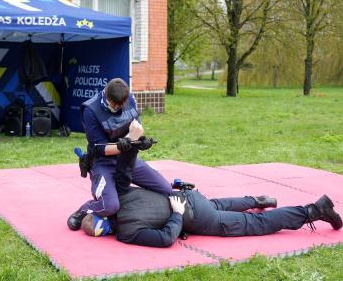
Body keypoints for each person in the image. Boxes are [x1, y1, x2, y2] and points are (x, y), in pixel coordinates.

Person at [81, 148, 343, 247]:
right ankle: (256, 200)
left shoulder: (127, 232)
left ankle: (313, 211)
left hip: (194, 214)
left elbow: (165, 239)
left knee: (255, 225)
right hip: (190, 197)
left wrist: (175, 214)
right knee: (218, 205)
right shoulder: (122, 194)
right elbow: (126, 170)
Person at [67, 78, 173, 231]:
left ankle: (123, 198)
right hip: (102, 161)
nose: (117, 108)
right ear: (106, 95)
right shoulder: (90, 110)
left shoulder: (129, 99)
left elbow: (137, 129)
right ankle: (84, 210)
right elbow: (101, 148)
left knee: (166, 189)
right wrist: (126, 142)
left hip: (127, 157)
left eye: (121, 105)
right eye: (114, 105)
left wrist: (140, 142)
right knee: (110, 206)